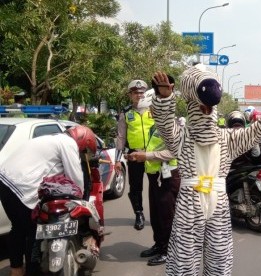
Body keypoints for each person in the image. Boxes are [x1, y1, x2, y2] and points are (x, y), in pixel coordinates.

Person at [150, 64, 261, 276]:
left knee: (219, 258)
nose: (205, 112)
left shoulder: (227, 139)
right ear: (191, 106)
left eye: (209, 109)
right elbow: (164, 125)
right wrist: (163, 99)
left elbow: (253, 134)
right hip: (190, 200)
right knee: (183, 260)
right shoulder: (182, 137)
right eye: (201, 108)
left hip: (219, 203)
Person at [0, 125, 96, 276]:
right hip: (21, 186)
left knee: (18, 227)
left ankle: (16, 269)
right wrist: (82, 202)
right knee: (34, 230)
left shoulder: (49, 139)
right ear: (83, 141)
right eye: (84, 151)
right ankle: (32, 271)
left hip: (4, 181)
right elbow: (75, 178)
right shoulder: (68, 143)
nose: (82, 154)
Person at [127, 75, 180, 266]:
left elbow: (173, 152)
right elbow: (152, 148)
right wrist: (138, 155)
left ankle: (168, 250)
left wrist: (146, 157)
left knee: (167, 216)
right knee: (156, 215)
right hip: (155, 176)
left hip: (168, 177)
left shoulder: (172, 126)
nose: (149, 112)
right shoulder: (154, 127)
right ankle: (159, 244)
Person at [115, 79, 154, 230]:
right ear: (130, 95)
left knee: (156, 186)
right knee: (136, 187)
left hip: (152, 154)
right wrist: (118, 160)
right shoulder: (126, 113)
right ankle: (139, 213)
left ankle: (157, 215)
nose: (139, 95)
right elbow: (121, 137)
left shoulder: (154, 110)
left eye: (142, 92)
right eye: (136, 93)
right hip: (134, 155)